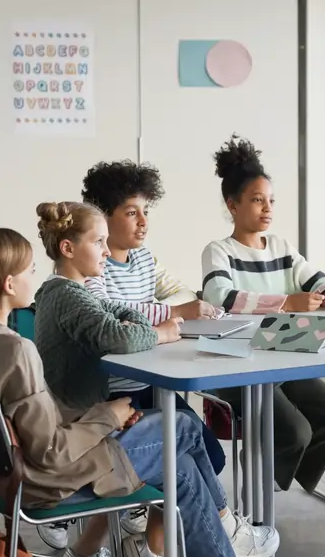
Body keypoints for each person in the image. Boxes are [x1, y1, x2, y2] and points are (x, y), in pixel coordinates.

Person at [0, 226, 294, 557]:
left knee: (178, 465)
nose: (34, 277)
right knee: (183, 426)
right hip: (51, 478)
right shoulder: (17, 350)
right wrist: (106, 416)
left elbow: (29, 420)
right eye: (29, 269)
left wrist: (99, 413)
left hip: (13, 478)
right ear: (7, 283)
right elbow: (51, 452)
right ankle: (227, 535)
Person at [201, 134, 325, 494]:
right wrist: (285, 303)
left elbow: (317, 277)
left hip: (284, 355)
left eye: (270, 201)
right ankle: (258, 477)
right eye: (256, 200)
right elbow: (219, 297)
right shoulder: (218, 251)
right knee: (296, 431)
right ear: (232, 205)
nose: (267, 208)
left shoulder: (282, 247)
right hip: (238, 364)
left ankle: (272, 477)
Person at [80, 159, 226, 472]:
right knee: (185, 459)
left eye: (145, 211)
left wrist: (178, 311)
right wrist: (171, 312)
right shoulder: (92, 264)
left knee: (211, 457)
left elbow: (162, 300)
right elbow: (109, 311)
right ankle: (155, 511)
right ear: (103, 218)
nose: (143, 222)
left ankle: (167, 518)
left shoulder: (144, 258)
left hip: (151, 380)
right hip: (114, 392)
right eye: (132, 212)